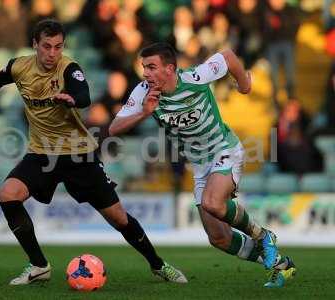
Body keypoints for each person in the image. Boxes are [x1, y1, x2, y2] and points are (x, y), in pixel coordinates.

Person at [0, 20, 187, 285]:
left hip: (79, 155)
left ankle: (158, 265)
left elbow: (84, 94)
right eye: (46, 46)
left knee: (118, 217)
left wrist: (72, 99)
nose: (52, 53)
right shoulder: (19, 66)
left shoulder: (69, 68)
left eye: (58, 47)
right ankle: (39, 265)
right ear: (35, 45)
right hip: (42, 153)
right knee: (8, 194)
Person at [109, 42, 296, 288]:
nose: (146, 73)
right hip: (199, 166)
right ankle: (281, 265)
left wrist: (244, 83)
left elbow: (228, 56)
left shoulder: (195, 77)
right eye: (144, 67)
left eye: (152, 67)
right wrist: (144, 113)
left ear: (170, 69)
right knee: (219, 238)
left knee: (212, 202)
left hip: (225, 149)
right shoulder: (143, 92)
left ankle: (263, 235)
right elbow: (114, 128)